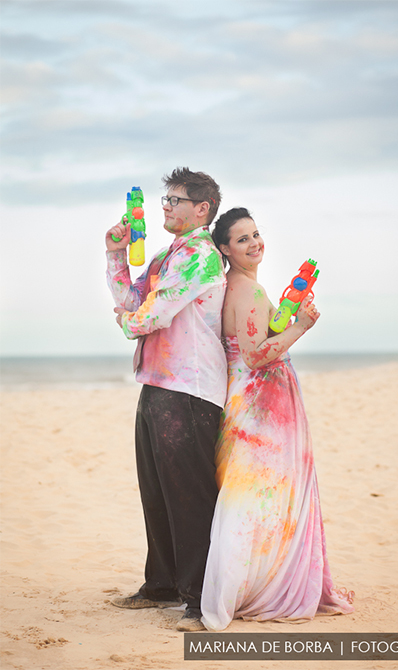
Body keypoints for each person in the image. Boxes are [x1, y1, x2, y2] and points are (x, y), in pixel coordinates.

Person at [200, 208, 354, 630]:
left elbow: (254, 338)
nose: (254, 244)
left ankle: (247, 585)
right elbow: (254, 355)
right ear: (225, 249)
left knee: (254, 498)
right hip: (260, 411)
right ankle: (240, 593)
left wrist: (284, 316)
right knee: (253, 500)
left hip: (249, 404)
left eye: (256, 234)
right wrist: (301, 326)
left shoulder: (236, 286)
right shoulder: (247, 291)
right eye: (242, 239)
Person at [105, 168, 226, 631]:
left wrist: (128, 319)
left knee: (190, 495)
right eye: (165, 200)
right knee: (156, 490)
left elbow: (144, 317)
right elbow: (128, 296)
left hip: (192, 389)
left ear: (202, 209)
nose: (166, 207)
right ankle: (161, 585)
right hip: (157, 382)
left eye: (175, 200)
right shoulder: (164, 255)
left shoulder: (201, 256)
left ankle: (199, 597)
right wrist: (116, 250)